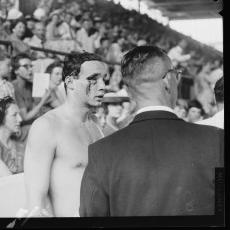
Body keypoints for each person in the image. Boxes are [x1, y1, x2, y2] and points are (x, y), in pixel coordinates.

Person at [80, 46, 224, 216]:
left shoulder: (101, 152)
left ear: (128, 92)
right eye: (177, 75)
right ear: (168, 81)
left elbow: (92, 219)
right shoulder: (216, 140)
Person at [24, 51, 107, 217]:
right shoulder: (47, 126)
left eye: (103, 78)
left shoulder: (96, 125)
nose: (103, 86)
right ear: (70, 82)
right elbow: (36, 206)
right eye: (93, 79)